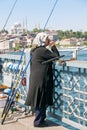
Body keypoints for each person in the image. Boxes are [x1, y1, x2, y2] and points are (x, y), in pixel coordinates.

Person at [25, 32, 60, 127]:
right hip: (41, 78)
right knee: (41, 99)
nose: (49, 41)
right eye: (47, 39)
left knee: (40, 98)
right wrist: (53, 46)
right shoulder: (42, 50)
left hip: (36, 77)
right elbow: (56, 56)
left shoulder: (35, 50)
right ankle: (38, 122)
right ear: (43, 40)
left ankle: (41, 119)